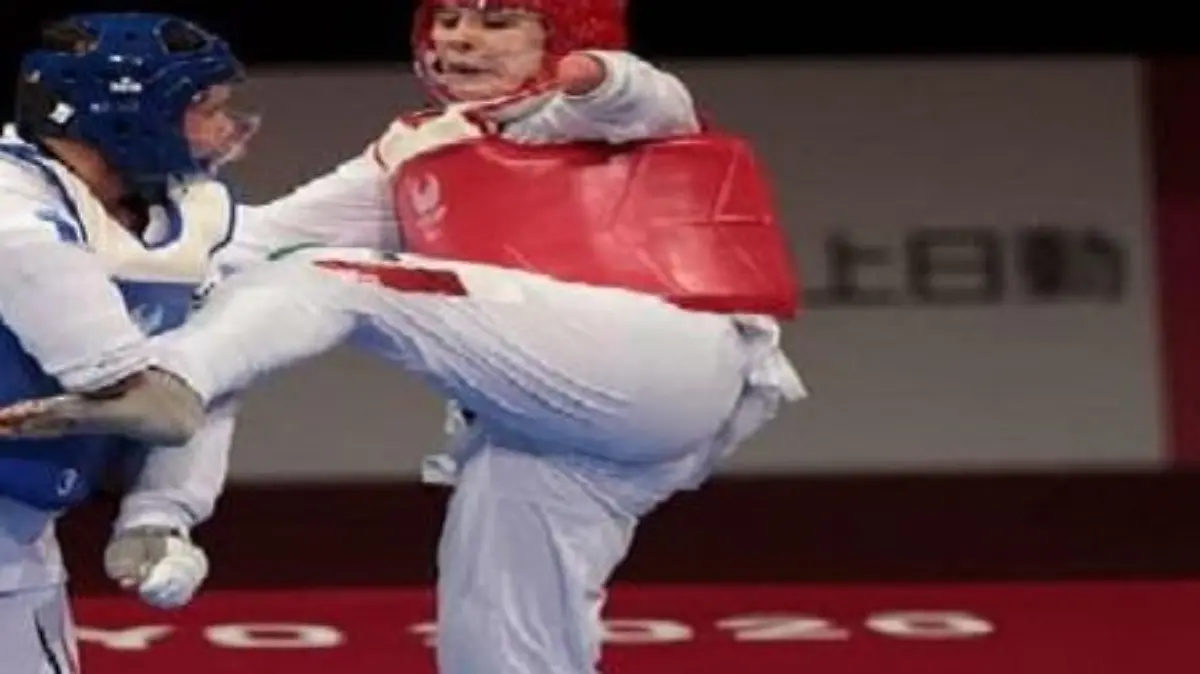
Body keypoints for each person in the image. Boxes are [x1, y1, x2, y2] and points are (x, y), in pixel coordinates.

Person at [1, 2, 807, 673]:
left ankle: (159, 384)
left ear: (570, 38)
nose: (462, 39)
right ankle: (166, 385)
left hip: (665, 353)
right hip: (563, 426)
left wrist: (594, 74)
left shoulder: (613, 109)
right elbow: (240, 251)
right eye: (449, 21)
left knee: (331, 278)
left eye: (497, 22)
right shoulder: (417, 144)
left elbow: (639, 93)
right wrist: (103, 243)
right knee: (498, 643)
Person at [0, 12, 402, 672]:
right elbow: (152, 400)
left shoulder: (168, 217)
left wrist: (160, 512)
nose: (226, 127)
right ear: (126, 114)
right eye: (205, 108)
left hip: (18, 545)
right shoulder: (14, 220)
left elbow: (199, 371)